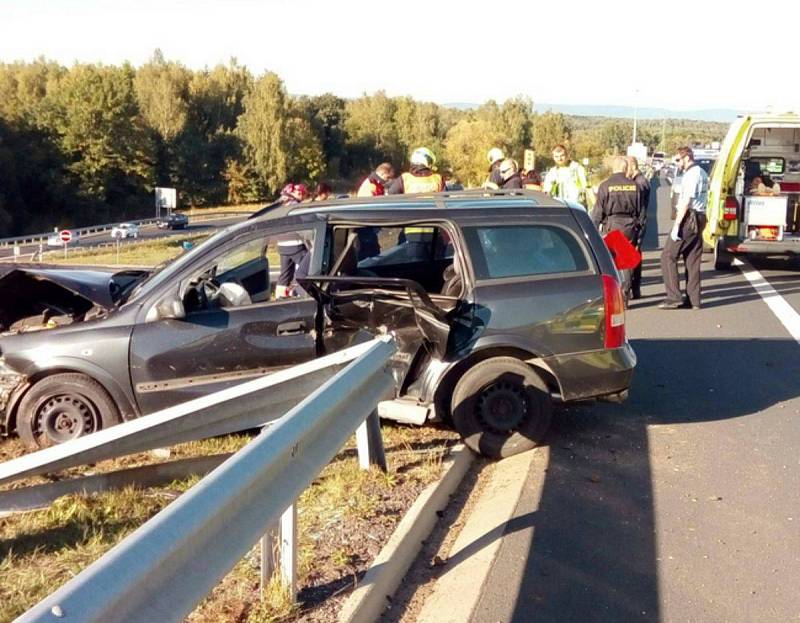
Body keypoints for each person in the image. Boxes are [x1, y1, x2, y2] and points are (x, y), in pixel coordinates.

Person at [659, 147, 709, 309]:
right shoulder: (702, 172)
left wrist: (677, 226)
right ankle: (694, 300)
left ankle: (674, 297)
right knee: (692, 259)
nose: (677, 164)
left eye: (678, 160)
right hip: (700, 217)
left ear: (686, 158)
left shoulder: (691, 175)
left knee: (668, 256)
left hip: (689, 218)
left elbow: (686, 201)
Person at [591, 156, 642, 300]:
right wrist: (639, 233)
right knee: (627, 260)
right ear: (625, 169)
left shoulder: (605, 186)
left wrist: (593, 231)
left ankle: (617, 292)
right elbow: (640, 210)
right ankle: (626, 291)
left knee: (613, 260)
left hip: (612, 225)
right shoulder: (635, 186)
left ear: (613, 169)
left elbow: (598, 212)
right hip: (630, 226)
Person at [272, 183, 311, 298]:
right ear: (293, 193)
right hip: (296, 245)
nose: (302, 196)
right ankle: (300, 293)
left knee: (284, 275)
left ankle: (279, 297)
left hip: (282, 245)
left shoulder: (279, 204)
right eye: (300, 193)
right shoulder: (294, 205)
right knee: (306, 270)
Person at [626, 156, 651, 299]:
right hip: (640, 223)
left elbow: (639, 207)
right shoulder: (641, 181)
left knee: (633, 256)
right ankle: (636, 289)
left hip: (637, 223)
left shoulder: (639, 183)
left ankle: (633, 288)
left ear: (632, 167)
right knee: (636, 256)